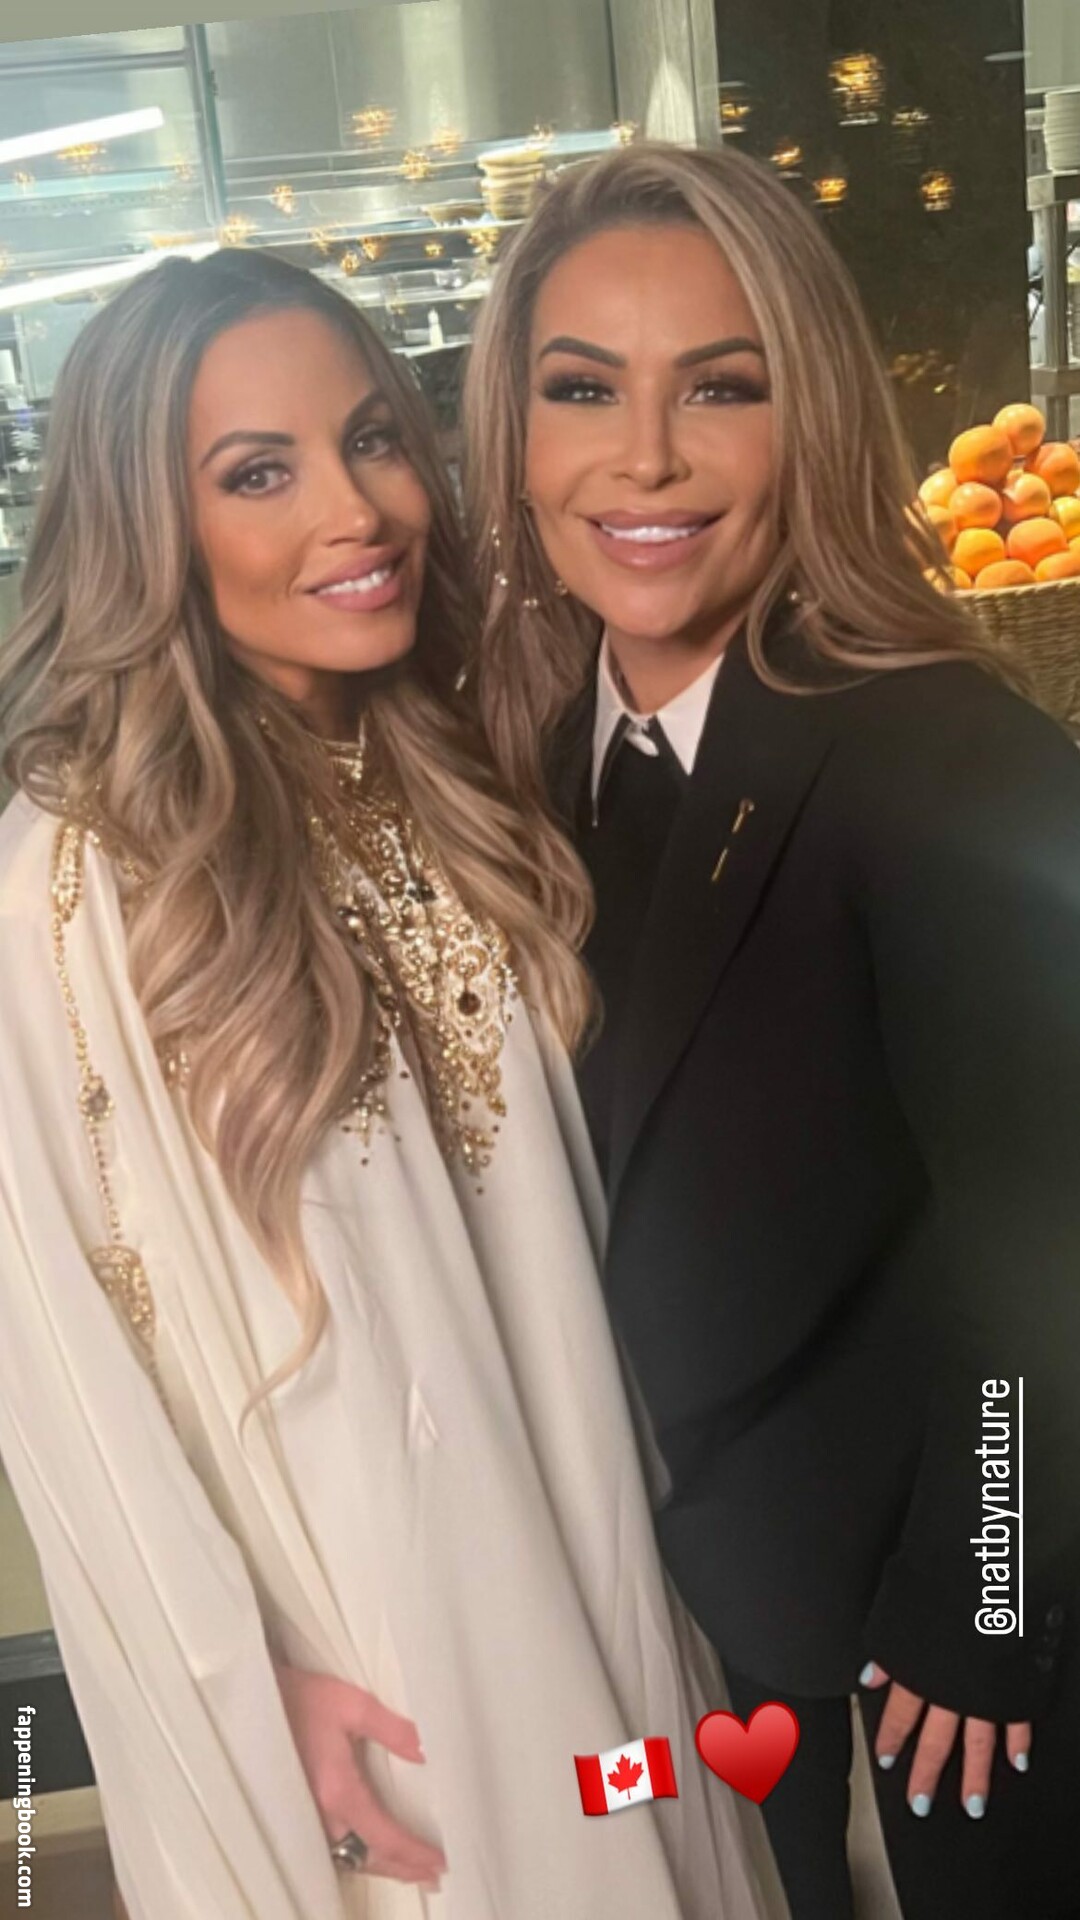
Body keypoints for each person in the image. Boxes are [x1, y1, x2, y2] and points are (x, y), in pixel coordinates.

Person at [0, 248, 782, 1920]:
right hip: (371, 1644)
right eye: (257, 473)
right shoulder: (77, 871)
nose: (356, 510)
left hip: (593, 1542)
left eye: (369, 440)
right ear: (147, 525)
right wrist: (237, 1686)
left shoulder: (435, 772)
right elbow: (60, 1368)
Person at [462, 141, 1080, 1920]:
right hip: (661, 1635)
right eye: (584, 389)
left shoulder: (952, 756)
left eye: (720, 387)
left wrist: (985, 1600)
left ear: (809, 416)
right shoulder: (519, 762)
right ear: (513, 434)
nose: (644, 458)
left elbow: (1051, 1236)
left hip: (917, 1668)